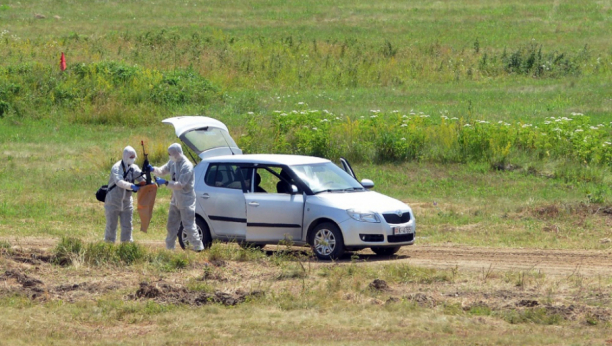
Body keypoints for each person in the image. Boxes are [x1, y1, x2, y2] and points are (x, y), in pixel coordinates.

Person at [146, 143, 204, 251]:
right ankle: (169, 248)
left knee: (189, 226)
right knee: (171, 225)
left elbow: (180, 185)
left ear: (176, 153)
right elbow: (162, 171)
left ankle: (198, 247)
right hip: (175, 199)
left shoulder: (187, 166)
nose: (169, 155)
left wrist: (166, 183)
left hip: (186, 200)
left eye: (170, 154)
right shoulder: (173, 162)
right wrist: (152, 169)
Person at [104, 146, 144, 243]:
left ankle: (126, 246)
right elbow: (119, 182)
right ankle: (109, 246)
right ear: (126, 156)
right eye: (131, 157)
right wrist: (132, 186)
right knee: (111, 226)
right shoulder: (116, 168)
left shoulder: (134, 168)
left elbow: (141, 178)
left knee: (128, 226)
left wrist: (147, 177)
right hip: (113, 201)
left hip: (126, 203)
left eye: (134, 157)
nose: (133, 159)